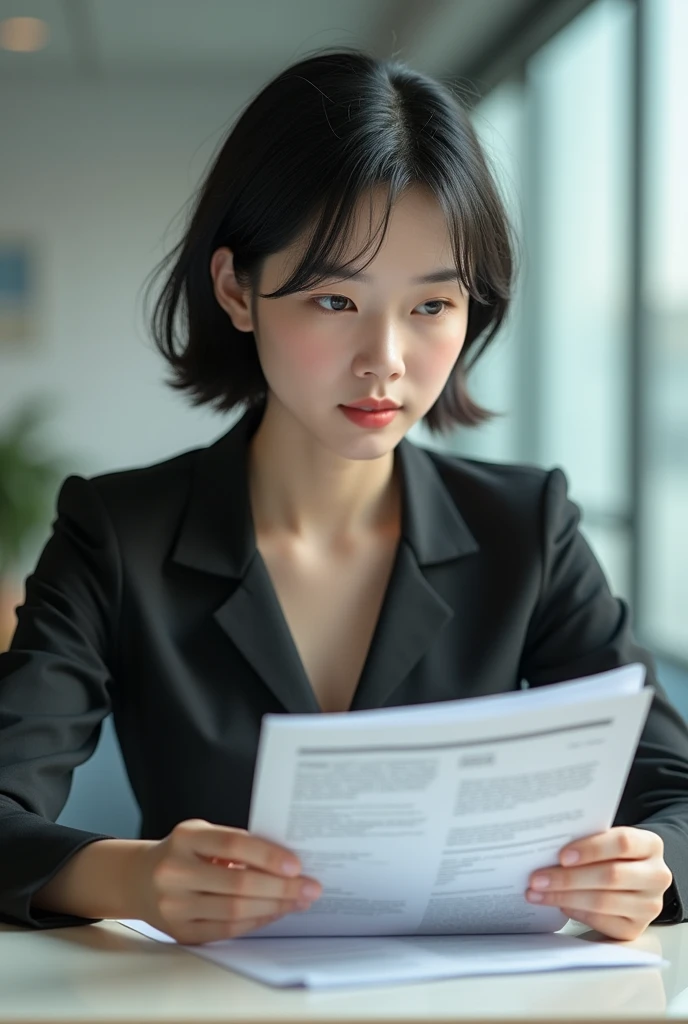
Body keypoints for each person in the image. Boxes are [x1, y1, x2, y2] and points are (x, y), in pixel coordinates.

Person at [0, 47, 686, 948]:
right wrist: (134, 874)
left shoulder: (527, 529)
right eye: (333, 300)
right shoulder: (117, 535)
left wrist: (646, 863)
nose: (386, 360)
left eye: (433, 307)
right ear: (236, 289)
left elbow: (672, 788)